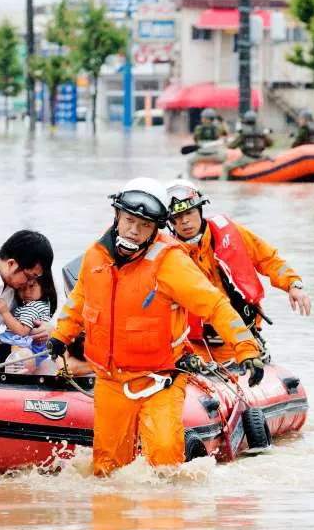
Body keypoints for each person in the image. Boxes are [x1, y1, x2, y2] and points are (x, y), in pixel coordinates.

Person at [46, 178, 264, 477]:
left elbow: (215, 306)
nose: (134, 231)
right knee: (106, 470)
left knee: (164, 464)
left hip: (160, 380)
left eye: (145, 225)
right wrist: (61, 335)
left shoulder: (171, 262)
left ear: (157, 227)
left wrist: (246, 349)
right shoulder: (96, 255)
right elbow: (81, 299)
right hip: (111, 381)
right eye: (129, 221)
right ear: (117, 217)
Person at [162, 179, 312, 364]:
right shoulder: (167, 253)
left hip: (238, 338)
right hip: (194, 344)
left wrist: (293, 284)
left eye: (189, 213)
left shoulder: (231, 233)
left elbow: (268, 259)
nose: (184, 222)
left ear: (200, 210)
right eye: (176, 218)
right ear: (169, 222)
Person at [221, 110, 273, 180]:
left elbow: (232, 146)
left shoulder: (243, 133)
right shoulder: (262, 132)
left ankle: (222, 184)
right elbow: (270, 144)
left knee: (226, 166)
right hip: (261, 157)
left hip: (247, 159)